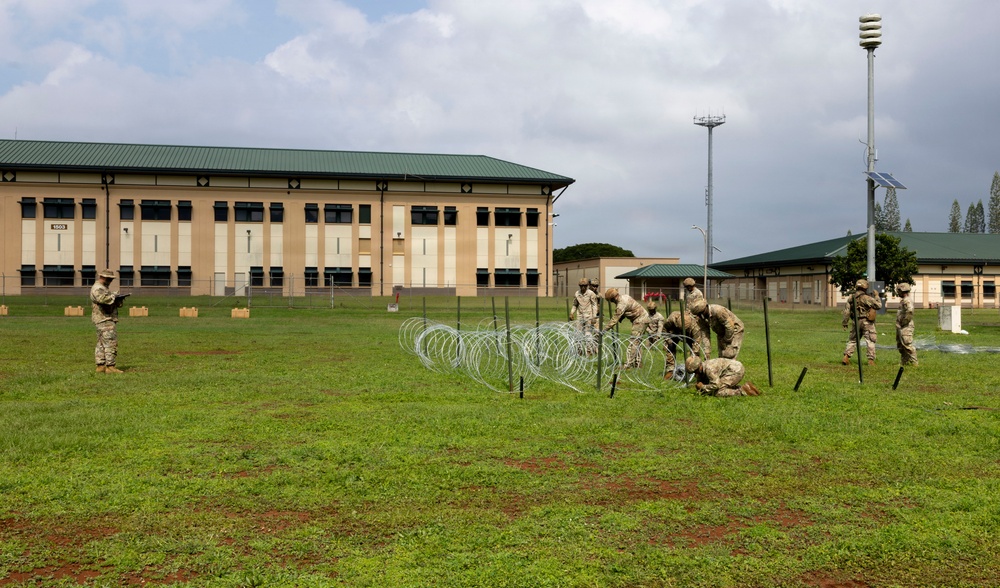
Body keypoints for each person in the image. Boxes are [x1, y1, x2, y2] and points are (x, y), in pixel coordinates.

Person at [602, 288, 650, 368]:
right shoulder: (625, 296)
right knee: (637, 342)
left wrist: (604, 330)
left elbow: (614, 320)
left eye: (611, 300)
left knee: (633, 343)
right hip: (643, 317)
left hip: (640, 320)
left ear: (614, 298)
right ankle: (638, 363)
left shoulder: (621, 305)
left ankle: (628, 365)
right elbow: (628, 309)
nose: (612, 302)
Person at [90, 268, 126, 373]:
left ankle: (100, 366)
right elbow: (103, 299)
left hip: (103, 318)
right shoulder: (98, 288)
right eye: (109, 279)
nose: (110, 281)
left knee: (101, 343)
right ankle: (110, 366)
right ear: (103, 277)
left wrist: (117, 299)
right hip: (104, 318)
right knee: (110, 342)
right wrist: (114, 296)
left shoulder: (103, 288)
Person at [842, 278, 882, 366]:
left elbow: (847, 311)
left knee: (852, 340)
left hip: (855, 321)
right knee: (870, 340)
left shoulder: (851, 298)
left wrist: (845, 322)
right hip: (867, 322)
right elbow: (878, 306)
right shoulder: (867, 298)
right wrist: (876, 296)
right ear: (865, 287)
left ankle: (846, 356)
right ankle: (870, 360)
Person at [685, 355, 760, 397]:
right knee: (720, 387)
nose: (695, 374)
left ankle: (743, 391)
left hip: (735, 371)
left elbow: (716, 385)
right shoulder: (705, 365)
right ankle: (748, 387)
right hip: (735, 368)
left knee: (718, 392)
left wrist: (703, 387)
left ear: (698, 367)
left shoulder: (709, 369)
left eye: (695, 372)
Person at [660, 309, 706, 377]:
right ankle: (670, 370)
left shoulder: (695, 327)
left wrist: (694, 357)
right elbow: (664, 330)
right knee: (670, 349)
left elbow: (696, 344)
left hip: (689, 335)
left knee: (695, 353)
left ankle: (696, 372)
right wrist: (669, 341)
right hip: (674, 332)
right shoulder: (672, 318)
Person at [895, 282, 918, 366]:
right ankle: (904, 361)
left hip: (906, 326)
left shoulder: (907, 300)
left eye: (898, 291)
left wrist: (904, 322)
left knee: (907, 344)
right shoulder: (904, 300)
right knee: (901, 345)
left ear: (902, 290)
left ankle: (914, 362)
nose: (898, 293)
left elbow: (910, 311)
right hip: (901, 325)